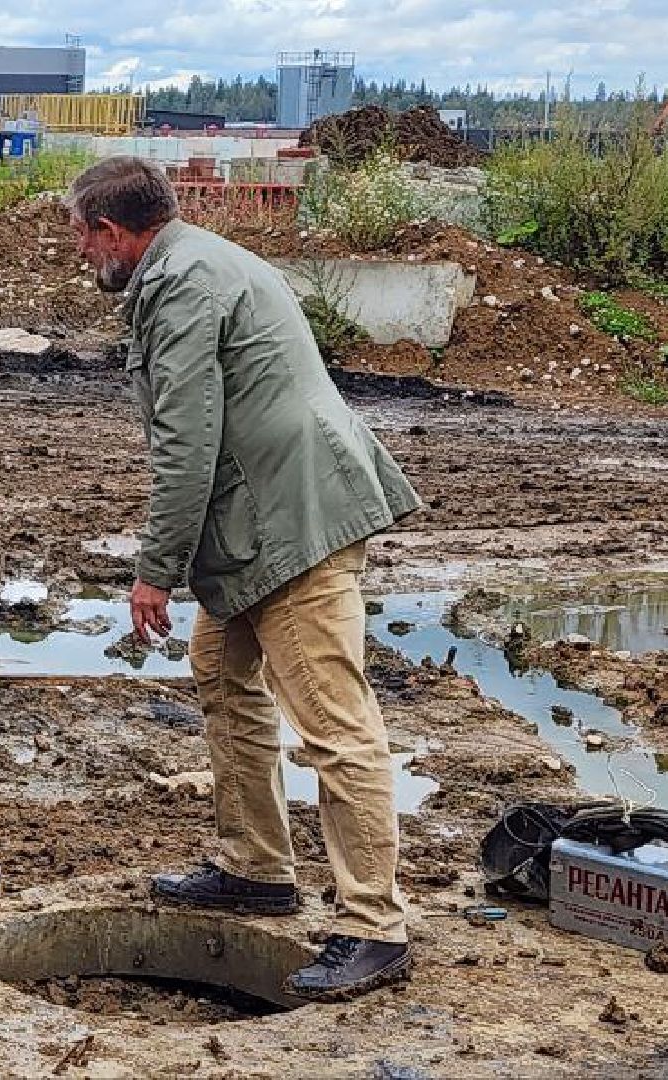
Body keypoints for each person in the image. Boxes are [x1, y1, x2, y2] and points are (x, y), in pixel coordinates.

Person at [65, 157, 423, 1002]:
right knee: (223, 676)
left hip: (291, 527)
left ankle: (375, 925)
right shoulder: (188, 263)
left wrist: (154, 573)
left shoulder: (185, 284)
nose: (80, 253)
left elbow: (186, 442)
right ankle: (257, 866)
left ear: (115, 233)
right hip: (258, 521)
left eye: (82, 237)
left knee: (335, 726)